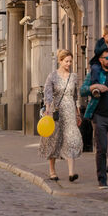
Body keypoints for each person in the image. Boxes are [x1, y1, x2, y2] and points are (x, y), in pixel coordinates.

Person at [81, 48, 108, 189]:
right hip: (99, 117)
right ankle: (102, 179)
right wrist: (96, 86)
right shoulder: (95, 73)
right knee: (102, 148)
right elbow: (82, 90)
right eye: (107, 58)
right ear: (101, 60)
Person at [39, 50, 82, 182]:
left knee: (71, 139)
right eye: (66, 61)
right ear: (60, 61)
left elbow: (76, 96)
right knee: (54, 140)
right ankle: (52, 171)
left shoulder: (73, 77)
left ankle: (71, 173)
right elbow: (48, 94)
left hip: (69, 110)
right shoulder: (52, 76)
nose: (69, 64)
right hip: (56, 111)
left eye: (70, 61)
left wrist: (77, 113)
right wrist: (47, 109)